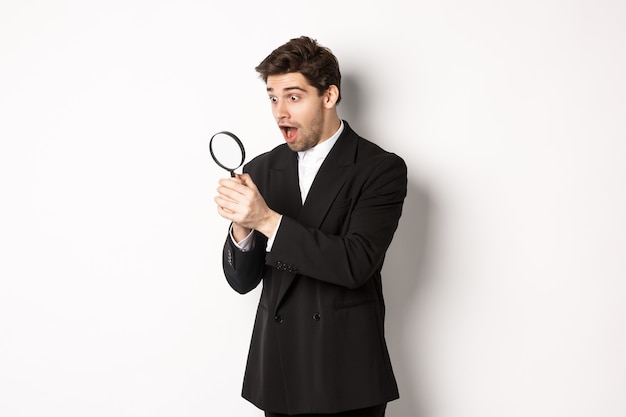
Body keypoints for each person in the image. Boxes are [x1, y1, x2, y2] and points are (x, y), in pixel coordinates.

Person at [215, 36, 407, 417]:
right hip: (278, 372)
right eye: (272, 97)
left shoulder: (380, 169)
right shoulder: (260, 170)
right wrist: (243, 230)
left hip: (347, 375)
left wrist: (266, 220)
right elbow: (241, 282)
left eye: (293, 96)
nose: (280, 112)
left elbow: (355, 264)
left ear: (329, 95)